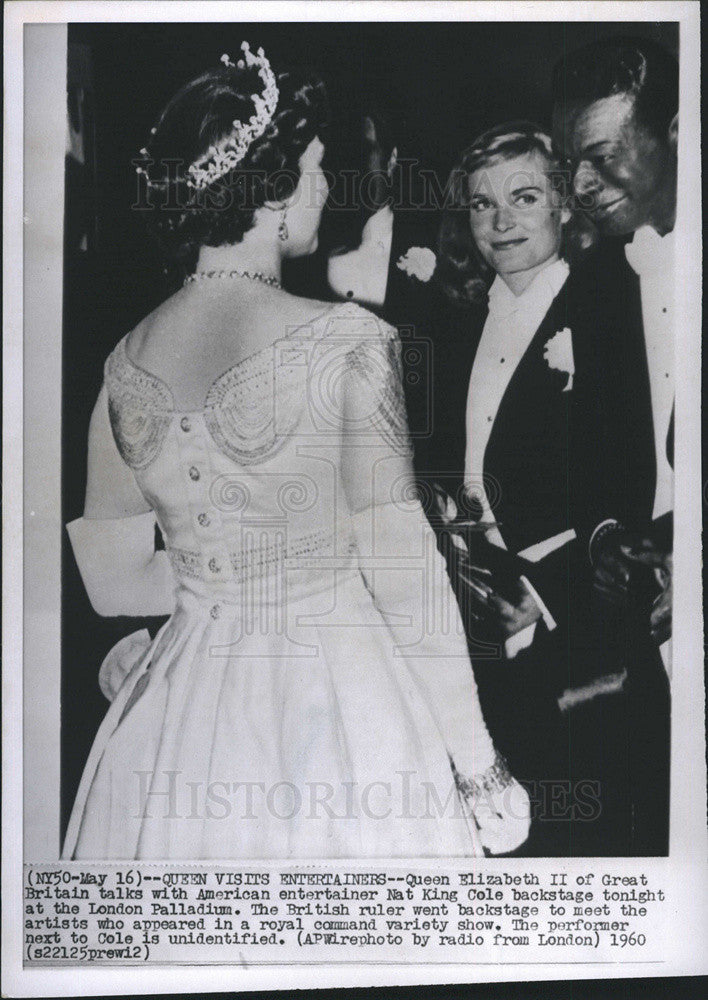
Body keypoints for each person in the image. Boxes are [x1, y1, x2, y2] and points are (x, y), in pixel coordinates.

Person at [62, 45, 529, 860]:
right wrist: (480, 766)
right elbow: (403, 568)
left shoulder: (121, 368)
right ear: (271, 192)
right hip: (340, 689)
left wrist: (220, 577)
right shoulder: (344, 341)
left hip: (183, 705)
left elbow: (110, 584)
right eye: (313, 169)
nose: (322, 186)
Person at [431, 122, 658, 855]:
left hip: (580, 629)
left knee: (579, 836)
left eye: (524, 197)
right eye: (481, 204)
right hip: (476, 617)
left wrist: (540, 594)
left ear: (564, 204)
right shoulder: (456, 318)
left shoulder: (611, 306)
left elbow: (632, 480)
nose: (500, 222)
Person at [551, 35, 678, 662]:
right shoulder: (596, 281)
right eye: (570, 162)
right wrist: (604, 539)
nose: (578, 186)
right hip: (647, 634)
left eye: (600, 157)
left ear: (679, 132)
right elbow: (595, 447)